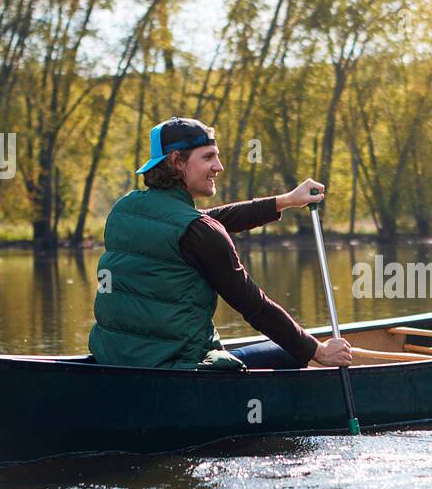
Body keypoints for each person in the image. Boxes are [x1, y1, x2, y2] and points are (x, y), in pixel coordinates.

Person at [88, 117, 352, 371]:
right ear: (177, 161)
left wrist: (287, 200)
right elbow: (255, 307)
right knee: (292, 351)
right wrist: (317, 351)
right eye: (208, 157)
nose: (219, 166)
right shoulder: (198, 231)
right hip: (181, 368)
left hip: (113, 358)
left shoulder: (124, 210)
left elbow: (206, 221)